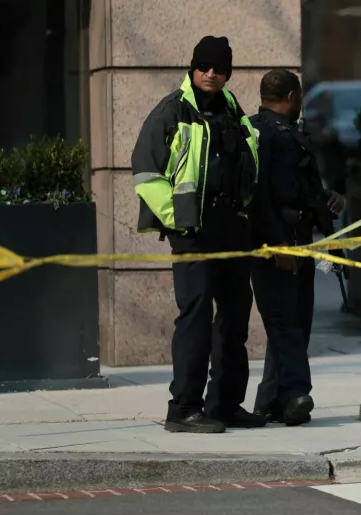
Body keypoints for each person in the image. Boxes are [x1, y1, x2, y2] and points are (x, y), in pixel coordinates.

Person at [131, 36, 265, 433]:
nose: (211, 73)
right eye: (204, 66)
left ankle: (224, 403)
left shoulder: (234, 111)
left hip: (232, 229)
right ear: (192, 69)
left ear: (228, 73)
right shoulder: (172, 111)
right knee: (194, 316)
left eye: (219, 68)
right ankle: (184, 408)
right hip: (192, 231)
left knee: (235, 318)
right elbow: (145, 171)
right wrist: (179, 217)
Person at [248, 69, 345, 426]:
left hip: (297, 241)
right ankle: (294, 394)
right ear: (292, 96)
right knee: (285, 323)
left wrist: (327, 200)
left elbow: (300, 189)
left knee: (295, 322)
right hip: (276, 245)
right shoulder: (262, 135)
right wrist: (277, 244)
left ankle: (270, 401)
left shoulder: (288, 134)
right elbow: (261, 197)